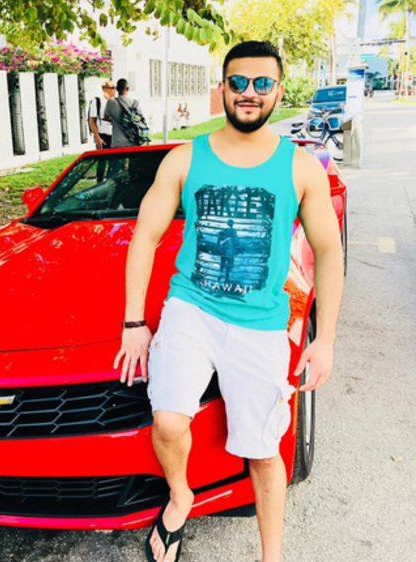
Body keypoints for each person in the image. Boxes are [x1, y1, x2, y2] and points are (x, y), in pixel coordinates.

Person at [113, 40, 344, 562]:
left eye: (262, 83)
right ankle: (180, 497)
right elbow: (145, 236)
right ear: (222, 88)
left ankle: (271, 556)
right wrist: (133, 322)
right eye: (238, 82)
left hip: (261, 323)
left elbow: (329, 252)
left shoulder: (300, 167)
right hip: (191, 309)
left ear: (278, 91)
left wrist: (326, 339)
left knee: (263, 452)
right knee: (168, 422)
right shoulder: (185, 158)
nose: (249, 92)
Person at [105, 78, 146, 148]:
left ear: (116, 89)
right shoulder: (135, 103)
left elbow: (106, 117)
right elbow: (140, 120)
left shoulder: (111, 102)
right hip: (133, 142)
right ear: (127, 88)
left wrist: (116, 120)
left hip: (117, 143)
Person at [88, 79, 116, 182]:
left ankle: (110, 180)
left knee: (113, 160)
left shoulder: (114, 101)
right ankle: (99, 181)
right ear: (105, 89)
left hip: (114, 134)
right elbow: (92, 120)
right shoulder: (97, 101)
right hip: (102, 134)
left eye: (114, 88)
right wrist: (97, 137)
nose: (114, 90)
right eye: (112, 88)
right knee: (102, 160)